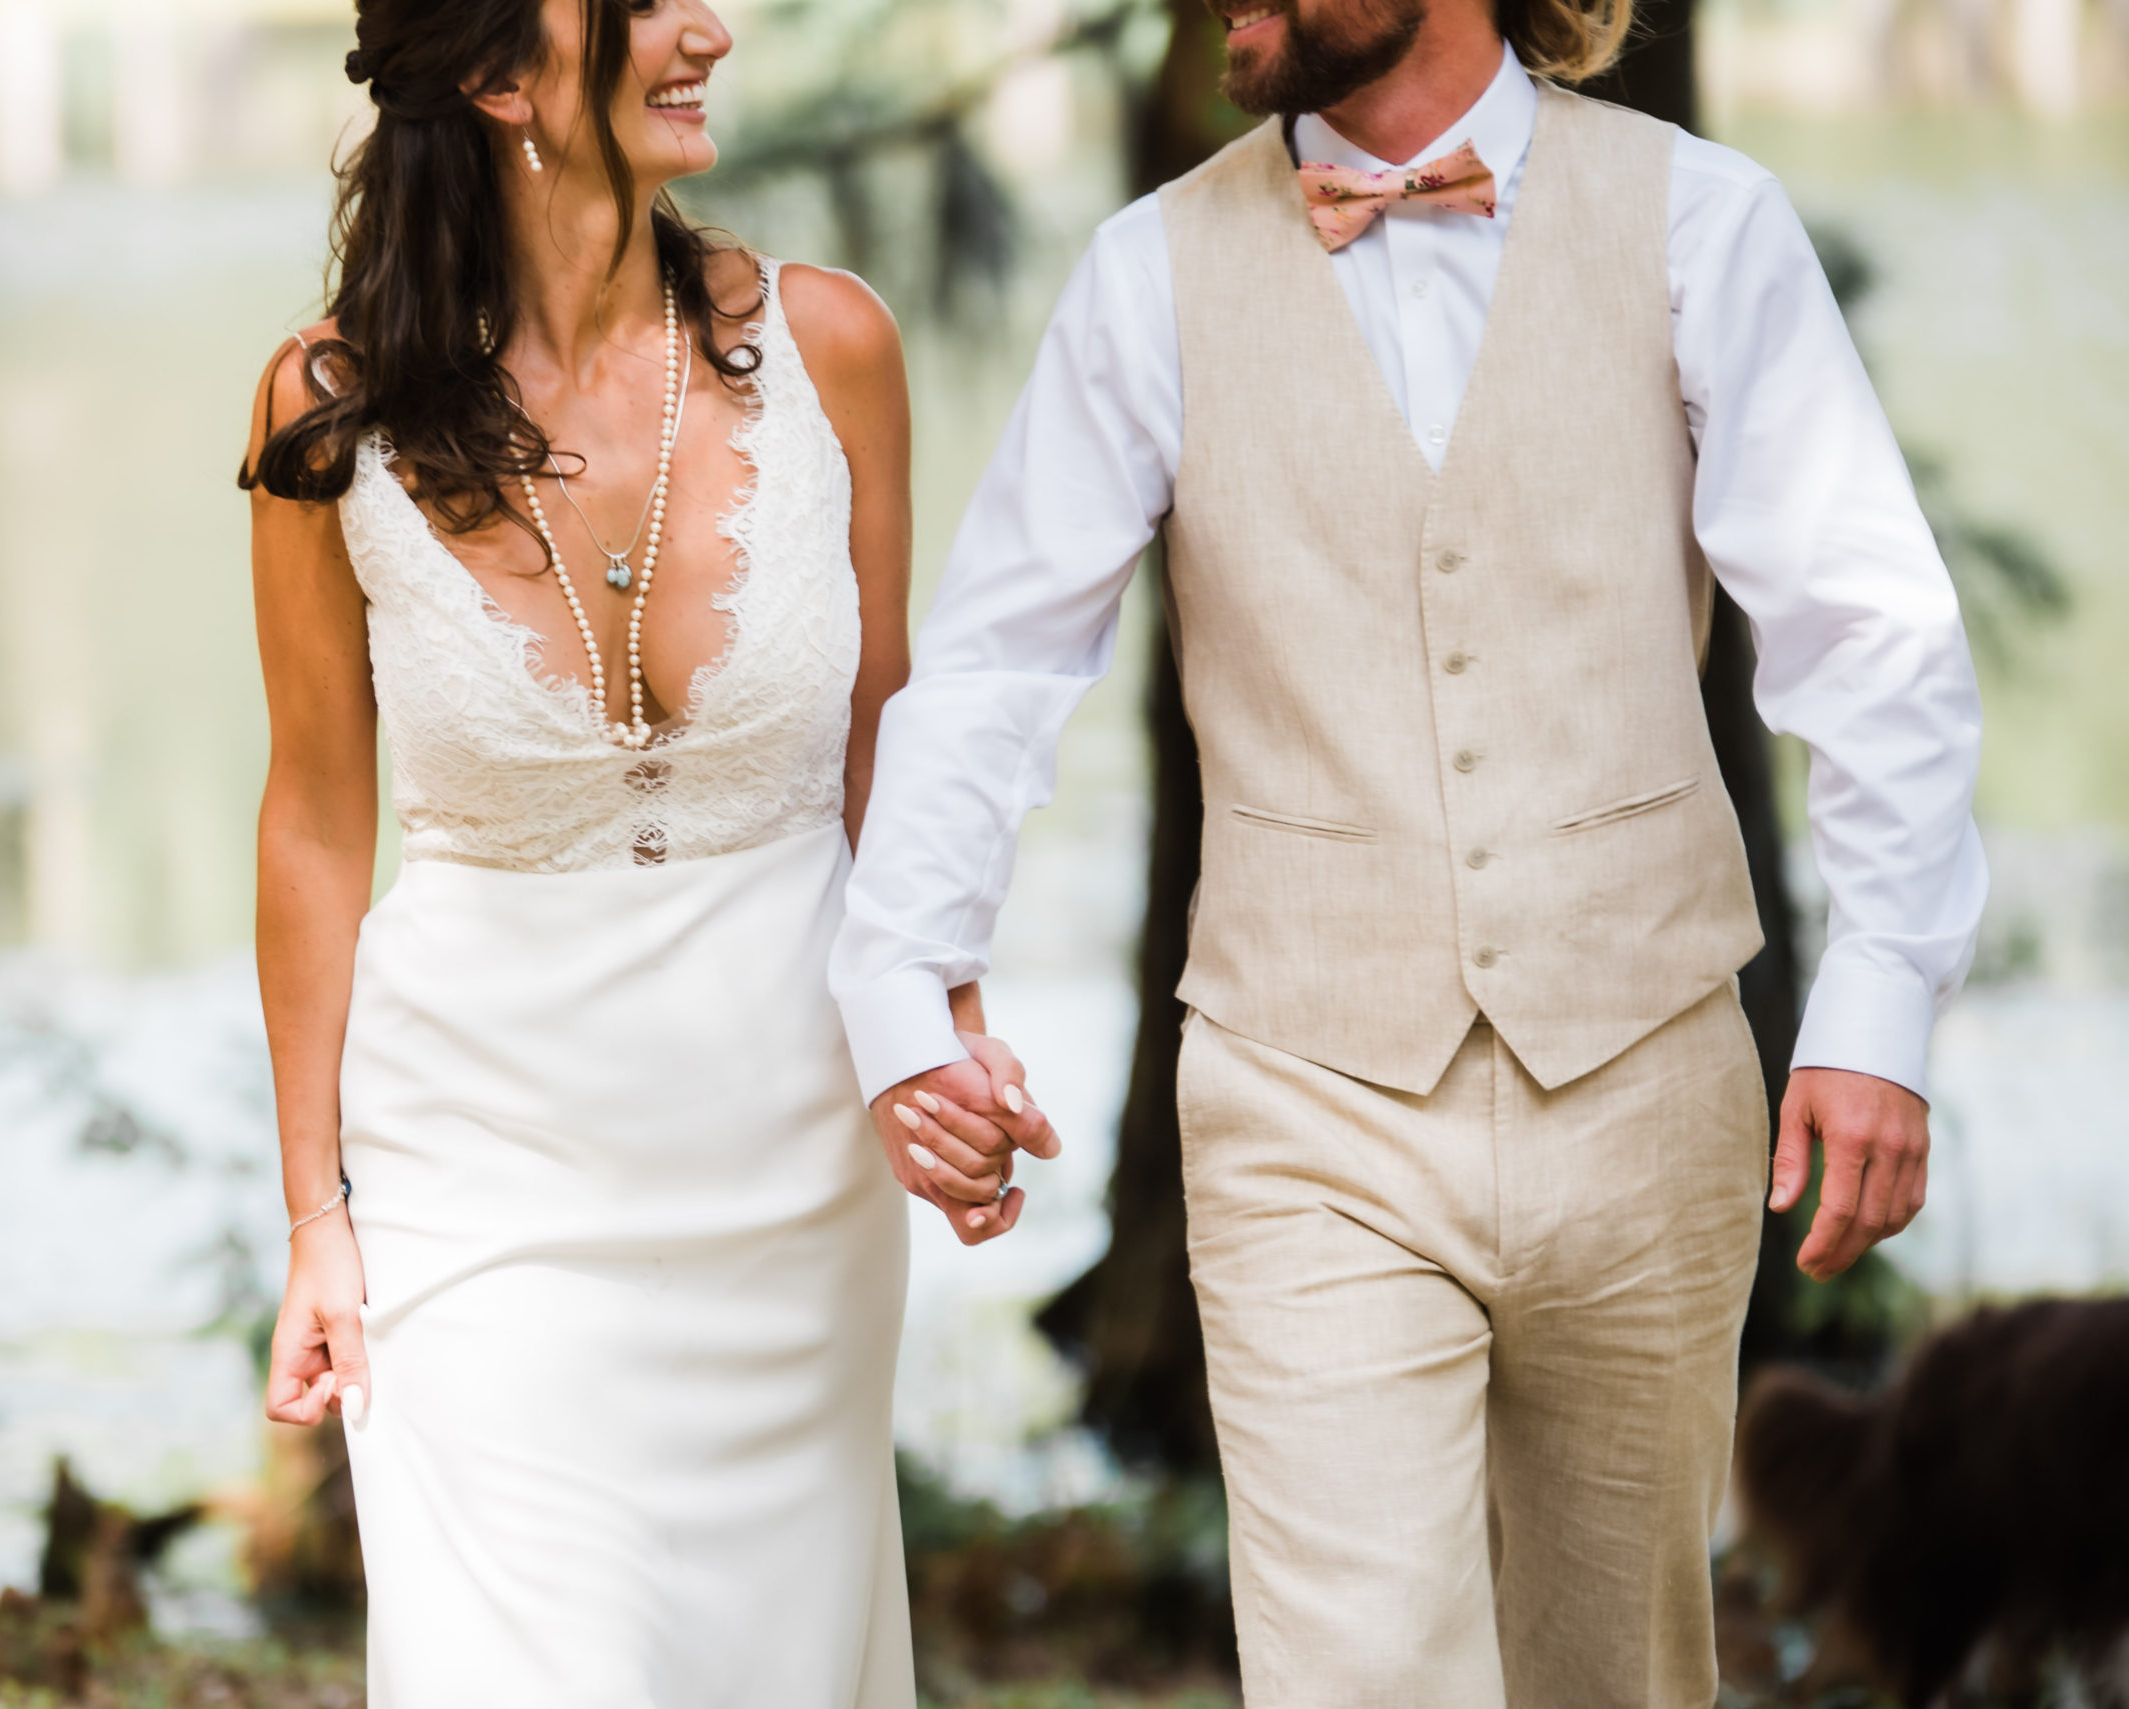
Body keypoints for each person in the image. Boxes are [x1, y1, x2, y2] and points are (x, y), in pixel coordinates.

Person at [836, 0, 1988, 1701]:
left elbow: (1867, 625)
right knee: (1358, 1672)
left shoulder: (1700, 220)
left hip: (1648, 1069)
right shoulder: (1149, 272)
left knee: (1620, 1670)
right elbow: (1004, 656)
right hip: (1306, 1097)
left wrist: (1878, 1005)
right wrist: (902, 980)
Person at [237, 1, 1036, 1699]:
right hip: (481, 1177)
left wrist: (940, 1027)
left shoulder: (834, 350)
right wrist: (315, 1209)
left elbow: (889, 738)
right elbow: (313, 816)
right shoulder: (331, 408)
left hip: (791, 1180)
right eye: (648, 2)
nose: (711, 29)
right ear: (502, 72)